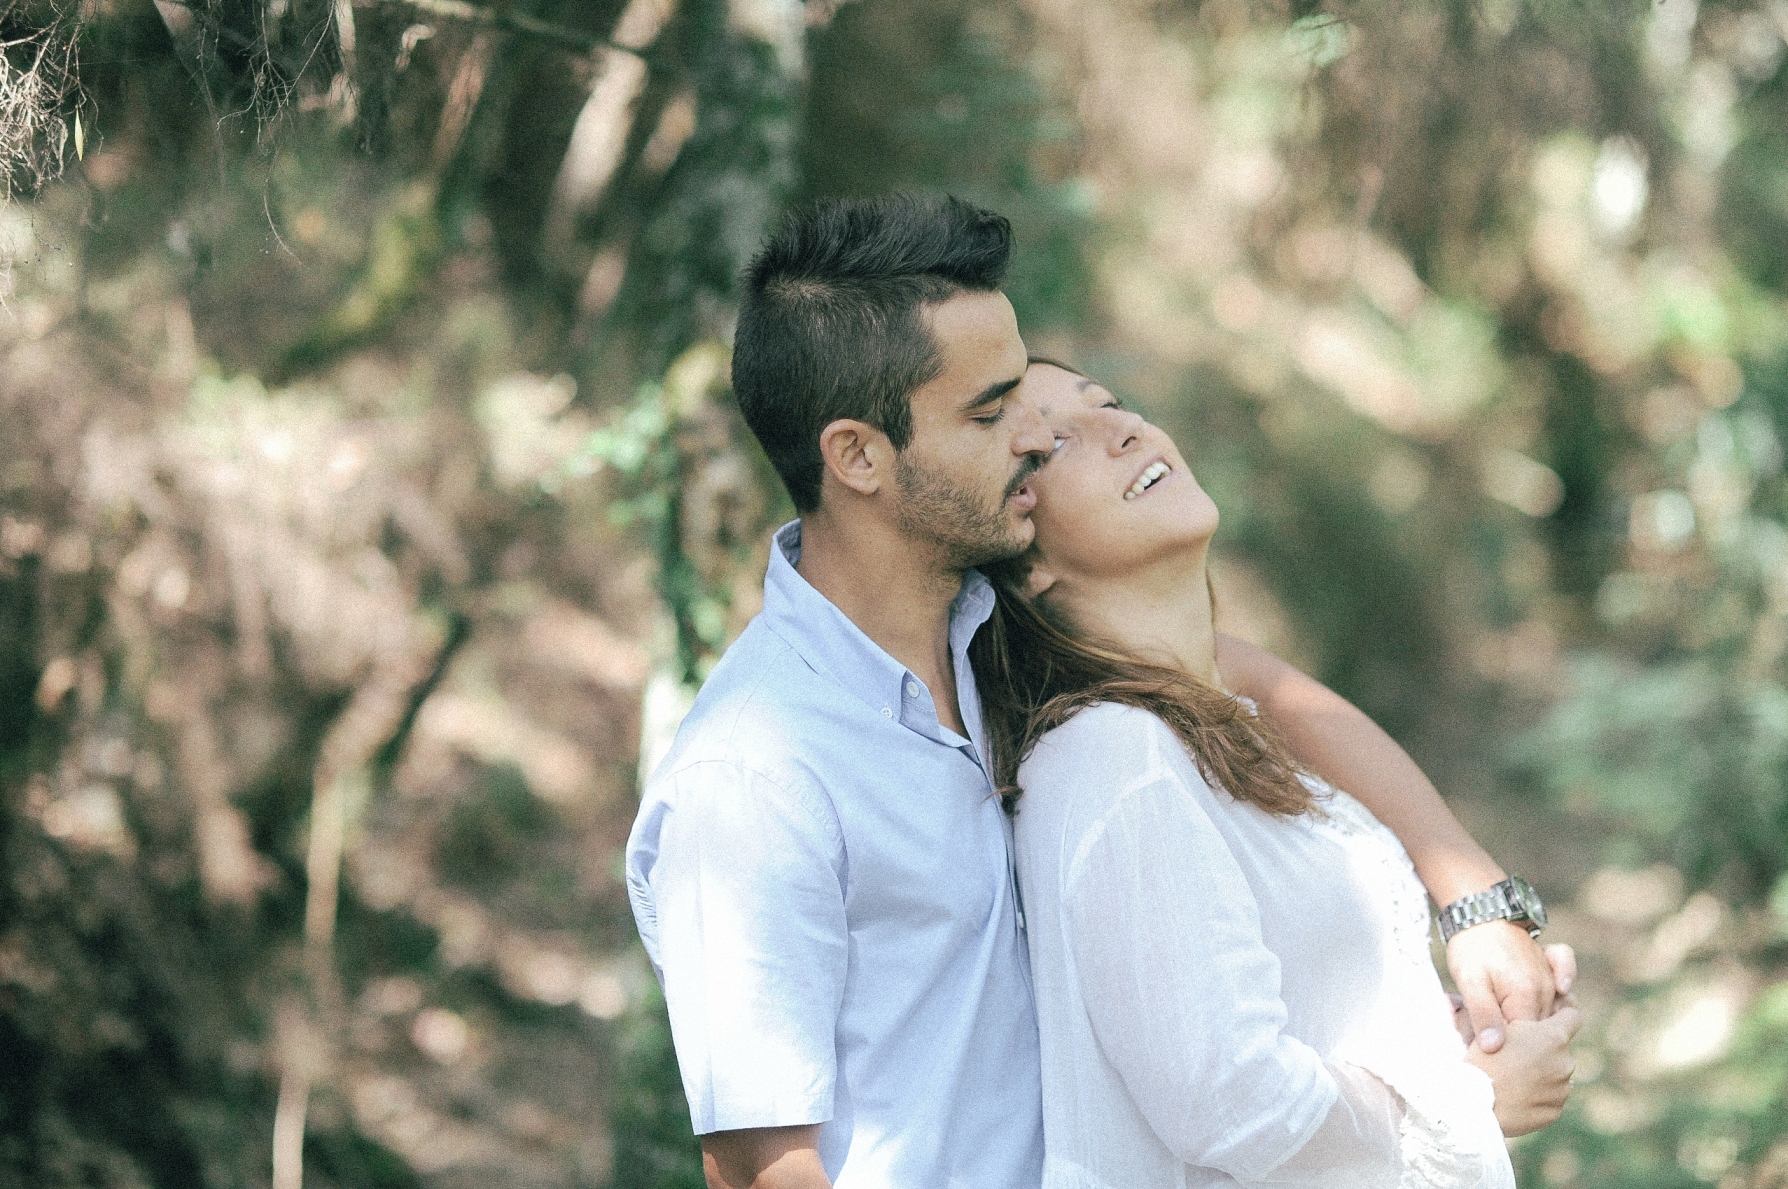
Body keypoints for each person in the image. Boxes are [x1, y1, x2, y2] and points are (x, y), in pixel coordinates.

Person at [625, 194, 1568, 1189]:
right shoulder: (754, 777)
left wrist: (1472, 896)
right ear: (858, 455)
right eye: (991, 411)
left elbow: (1250, 684)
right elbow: (758, 1168)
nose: (1033, 433)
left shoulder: (980, 638)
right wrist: (1457, 1112)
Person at [972, 360, 1581, 1188]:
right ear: (1024, 556)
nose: (1124, 428)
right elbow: (1229, 1096)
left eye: (1109, 402)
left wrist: (1465, 1030)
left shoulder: (1206, 721)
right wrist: (1470, 1102)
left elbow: (1272, 1020)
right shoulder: (1114, 758)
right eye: (1051, 447)